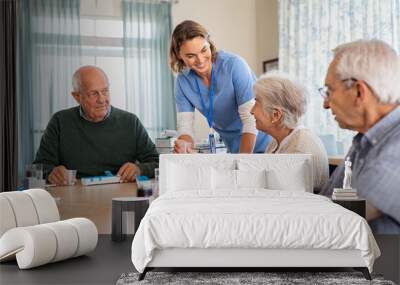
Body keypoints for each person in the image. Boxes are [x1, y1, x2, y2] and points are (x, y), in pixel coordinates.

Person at [319, 39, 400, 234]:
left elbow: (338, 221)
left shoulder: (395, 147)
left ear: (359, 91)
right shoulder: (365, 139)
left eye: (329, 91)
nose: (326, 105)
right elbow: (328, 200)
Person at [34, 66, 158, 186]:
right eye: (93, 94)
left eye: (105, 91)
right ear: (77, 96)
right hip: (75, 195)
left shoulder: (131, 122)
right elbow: (39, 167)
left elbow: (157, 163)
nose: (102, 99)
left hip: (120, 193)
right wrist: (51, 173)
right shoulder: (59, 122)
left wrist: (139, 169)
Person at [169, 20, 270, 154]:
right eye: (190, 56)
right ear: (179, 56)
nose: (200, 60)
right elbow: (186, 128)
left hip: (266, 145)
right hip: (234, 149)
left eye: (204, 50)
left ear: (209, 43)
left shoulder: (234, 66)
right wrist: (184, 145)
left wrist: (241, 162)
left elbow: (250, 120)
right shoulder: (183, 82)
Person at [250, 72, 329, 191]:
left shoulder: (301, 150)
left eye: (257, 102)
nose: (251, 111)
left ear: (276, 115)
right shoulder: (276, 143)